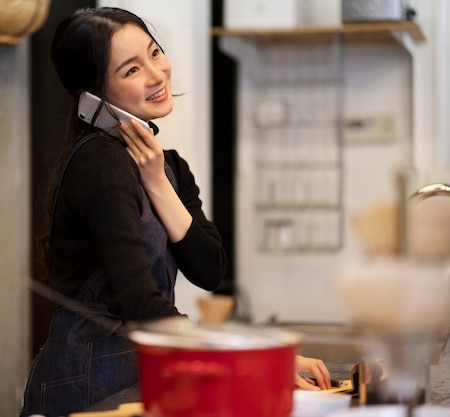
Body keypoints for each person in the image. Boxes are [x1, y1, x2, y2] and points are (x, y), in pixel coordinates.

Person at [21, 7, 331, 417]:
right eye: (131, 70)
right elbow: (140, 303)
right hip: (90, 380)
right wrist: (258, 360)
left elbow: (209, 269)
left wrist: (158, 183)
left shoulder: (169, 168)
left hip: (142, 369)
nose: (156, 74)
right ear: (93, 95)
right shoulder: (100, 164)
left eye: (154, 53)